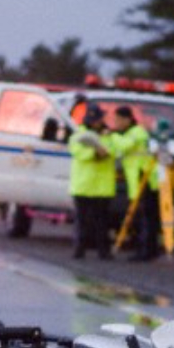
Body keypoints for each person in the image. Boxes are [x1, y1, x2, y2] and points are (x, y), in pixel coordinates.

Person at [110, 105, 159, 261]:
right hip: (136, 179)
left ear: (127, 119)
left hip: (145, 178)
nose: (115, 123)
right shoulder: (128, 133)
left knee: (146, 217)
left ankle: (146, 250)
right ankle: (144, 248)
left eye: (118, 120)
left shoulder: (137, 132)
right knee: (140, 216)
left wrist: (113, 135)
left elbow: (124, 146)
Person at [68, 103, 116, 259]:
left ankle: (103, 251)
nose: (100, 121)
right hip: (83, 185)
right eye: (98, 119)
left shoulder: (109, 135)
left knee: (102, 222)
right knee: (82, 221)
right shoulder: (78, 135)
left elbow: (115, 150)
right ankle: (79, 249)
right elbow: (77, 152)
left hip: (103, 187)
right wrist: (95, 152)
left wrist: (105, 151)